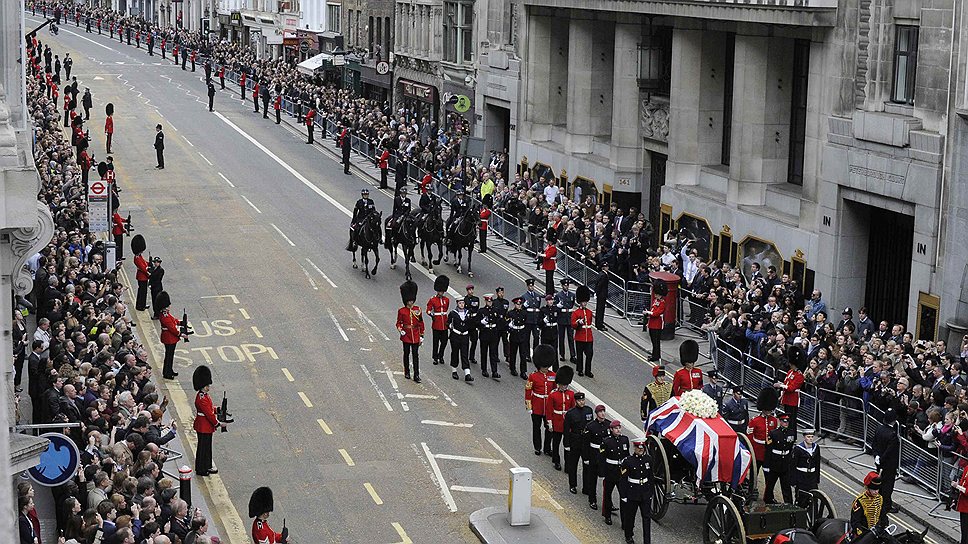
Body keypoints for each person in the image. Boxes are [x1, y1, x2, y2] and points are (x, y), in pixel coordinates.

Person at [193, 365, 227, 476]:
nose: (208, 387)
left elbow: (209, 409)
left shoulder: (203, 396)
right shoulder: (202, 398)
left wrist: (217, 409)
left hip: (204, 425)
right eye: (207, 385)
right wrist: (218, 423)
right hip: (204, 426)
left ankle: (206, 466)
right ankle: (202, 469)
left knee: (206, 448)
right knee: (203, 449)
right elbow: (208, 414)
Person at [619, 438, 653, 544]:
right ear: (634, 448)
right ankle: (628, 535)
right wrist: (623, 495)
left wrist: (651, 492)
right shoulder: (628, 461)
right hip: (633, 493)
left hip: (645, 493)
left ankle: (647, 540)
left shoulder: (648, 459)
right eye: (638, 448)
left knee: (646, 518)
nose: (641, 450)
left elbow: (651, 477)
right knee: (630, 516)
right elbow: (623, 479)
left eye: (642, 448)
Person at [526, 345, 556, 455]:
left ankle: (547, 448)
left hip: (548, 407)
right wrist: (529, 407)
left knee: (549, 428)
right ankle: (537, 447)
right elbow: (528, 391)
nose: (545, 368)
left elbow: (555, 390)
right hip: (537, 406)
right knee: (536, 428)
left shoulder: (553, 375)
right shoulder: (533, 376)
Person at [872, 408, 900, 520]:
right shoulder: (893, 435)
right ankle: (885, 506)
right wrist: (882, 459)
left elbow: (874, 444)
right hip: (888, 465)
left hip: (879, 462)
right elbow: (889, 452)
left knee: (880, 482)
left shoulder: (879, 428)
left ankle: (883, 502)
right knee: (887, 486)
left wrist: (876, 456)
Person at [600, 419, 629, 525]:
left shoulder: (624, 440)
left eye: (619, 428)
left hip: (621, 472)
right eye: (616, 428)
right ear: (611, 429)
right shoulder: (606, 441)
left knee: (623, 496)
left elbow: (626, 456)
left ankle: (624, 520)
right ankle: (607, 515)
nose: (618, 430)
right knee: (607, 495)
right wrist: (602, 472)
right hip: (610, 471)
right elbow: (602, 458)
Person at [547, 366, 575, 471]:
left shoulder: (571, 394)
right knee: (556, 444)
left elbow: (573, 410)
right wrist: (550, 424)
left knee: (567, 446)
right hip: (557, 422)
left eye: (566, 385)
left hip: (567, 423)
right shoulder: (553, 395)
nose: (565, 386)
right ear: (558, 383)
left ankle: (568, 464)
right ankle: (556, 461)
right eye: (563, 385)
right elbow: (549, 410)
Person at [763, 413, 795, 504]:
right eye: (784, 421)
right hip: (774, 463)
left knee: (786, 485)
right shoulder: (773, 433)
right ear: (780, 422)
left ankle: (788, 503)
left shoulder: (791, 433)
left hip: (785, 463)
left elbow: (790, 448)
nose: (786, 423)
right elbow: (768, 450)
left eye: (787, 421)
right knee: (770, 484)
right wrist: (767, 465)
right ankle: (768, 500)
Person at [564, 391, 593, 494]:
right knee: (573, 465)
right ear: (576, 401)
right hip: (575, 440)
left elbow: (591, 427)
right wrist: (566, 444)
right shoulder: (570, 413)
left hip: (586, 442)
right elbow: (566, 430)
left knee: (587, 465)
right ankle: (573, 485)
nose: (582, 402)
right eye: (580, 400)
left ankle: (586, 487)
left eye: (583, 400)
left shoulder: (588, 410)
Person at [396, 281, 423, 383]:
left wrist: (421, 335)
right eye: (409, 300)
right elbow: (398, 323)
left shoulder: (418, 310)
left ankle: (416, 375)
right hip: (406, 335)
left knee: (415, 355)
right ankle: (407, 371)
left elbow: (421, 323)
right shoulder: (401, 311)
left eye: (412, 300)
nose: (411, 302)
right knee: (406, 354)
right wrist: (401, 330)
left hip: (415, 335)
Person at [584, 405, 611, 508]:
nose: (603, 413)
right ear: (597, 413)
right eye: (600, 412)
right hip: (594, 454)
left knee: (608, 481)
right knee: (592, 479)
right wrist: (586, 458)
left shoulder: (609, 425)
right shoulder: (590, 426)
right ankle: (592, 500)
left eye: (604, 411)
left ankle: (609, 503)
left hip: (605, 456)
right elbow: (586, 444)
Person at [748, 388, 780, 474]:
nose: (769, 411)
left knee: (768, 475)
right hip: (757, 451)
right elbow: (750, 438)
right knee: (754, 473)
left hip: (768, 451)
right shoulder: (755, 421)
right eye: (767, 410)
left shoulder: (774, 420)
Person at [775, 348, 806, 434]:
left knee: (791, 420)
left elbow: (791, 388)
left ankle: (793, 435)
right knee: (787, 418)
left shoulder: (800, 376)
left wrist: (781, 385)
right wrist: (781, 386)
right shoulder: (790, 372)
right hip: (787, 398)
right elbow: (786, 383)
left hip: (793, 400)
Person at [848, 472, 884, 542]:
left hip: (875, 530)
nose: (876, 492)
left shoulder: (880, 498)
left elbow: (882, 515)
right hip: (863, 531)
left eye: (877, 489)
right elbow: (855, 521)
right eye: (873, 489)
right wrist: (863, 535)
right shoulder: (860, 501)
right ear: (868, 488)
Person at [157, 292, 185, 379]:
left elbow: (173, 320)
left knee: (170, 356)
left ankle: (169, 370)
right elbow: (172, 328)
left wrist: (180, 322)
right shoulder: (165, 316)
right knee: (169, 356)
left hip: (170, 337)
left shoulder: (166, 313)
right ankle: (167, 373)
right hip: (169, 338)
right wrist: (180, 334)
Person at [447, 296, 474, 382]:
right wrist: (450, 326)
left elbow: (471, 324)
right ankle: (454, 370)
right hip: (456, 336)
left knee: (465, 354)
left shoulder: (468, 313)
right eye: (460, 303)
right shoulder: (453, 313)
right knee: (455, 353)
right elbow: (448, 323)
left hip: (465, 336)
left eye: (463, 303)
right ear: (457, 304)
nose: (462, 305)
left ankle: (467, 374)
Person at [572, 285, 595, 378]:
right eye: (583, 302)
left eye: (585, 302)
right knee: (580, 355)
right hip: (579, 337)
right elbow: (573, 324)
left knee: (589, 354)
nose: (584, 303)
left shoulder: (589, 312)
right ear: (580, 302)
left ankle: (588, 370)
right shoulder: (576, 313)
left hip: (588, 337)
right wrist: (578, 323)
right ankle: (580, 370)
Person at [427, 275, 450, 366]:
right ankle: (435, 357)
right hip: (436, 324)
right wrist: (431, 313)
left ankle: (441, 355)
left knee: (444, 342)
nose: (441, 292)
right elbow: (428, 309)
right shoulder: (432, 300)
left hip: (444, 324)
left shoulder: (446, 300)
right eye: (440, 291)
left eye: (443, 291)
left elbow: (445, 310)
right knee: (435, 342)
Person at [477, 294, 502, 379]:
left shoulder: (496, 310)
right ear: (485, 301)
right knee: (484, 352)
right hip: (485, 333)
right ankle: (484, 369)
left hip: (493, 333)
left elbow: (499, 321)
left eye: (491, 301)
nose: (490, 303)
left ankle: (494, 371)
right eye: (488, 301)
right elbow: (476, 323)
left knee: (493, 353)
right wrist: (481, 323)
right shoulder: (481, 311)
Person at [791, 428, 820, 497]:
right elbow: (793, 465)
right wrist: (793, 481)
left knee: (813, 497)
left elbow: (817, 464)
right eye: (808, 437)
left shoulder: (816, 447)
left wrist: (817, 478)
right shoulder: (798, 449)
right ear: (804, 437)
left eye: (812, 437)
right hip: (801, 477)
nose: (811, 439)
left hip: (812, 477)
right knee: (802, 498)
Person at [643, 281, 667, 361]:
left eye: (657, 294)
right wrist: (647, 313)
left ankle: (656, 356)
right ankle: (655, 355)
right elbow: (653, 309)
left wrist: (649, 312)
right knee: (653, 341)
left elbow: (657, 313)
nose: (656, 295)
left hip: (657, 324)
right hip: (652, 323)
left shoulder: (662, 303)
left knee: (656, 341)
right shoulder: (656, 301)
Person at [554, 278, 576, 363]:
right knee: (561, 338)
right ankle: (562, 354)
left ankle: (573, 355)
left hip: (569, 318)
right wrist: (558, 307)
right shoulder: (558, 296)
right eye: (565, 285)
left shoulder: (572, 295)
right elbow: (555, 308)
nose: (566, 287)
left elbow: (572, 304)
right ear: (562, 286)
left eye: (567, 285)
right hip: (561, 319)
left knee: (571, 337)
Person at [507, 297, 529, 377]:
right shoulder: (511, 313)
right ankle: (512, 368)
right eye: (517, 304)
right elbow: (506, 323)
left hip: (522, 334)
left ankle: (523, 371)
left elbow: (526, 323)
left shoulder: (524, 313)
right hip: (514, 334)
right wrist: (509, 327)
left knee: (523, 354)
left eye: (520, 304)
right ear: (515, 304)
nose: (519, 306)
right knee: (513, 353)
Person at [522, 278, 543, 349]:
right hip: (528, 320)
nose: (531, 287)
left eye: (532, 286)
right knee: (526, 338)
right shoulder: (524, 296)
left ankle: (535, 351)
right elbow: (521, 309)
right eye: (530, 286)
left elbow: (538, 308)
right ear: (527, 287)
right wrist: (523, 306)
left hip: (535, 320)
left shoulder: (537, 296)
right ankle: (527, 354)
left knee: (536, 337)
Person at [951, 461, 968, 544]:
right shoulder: (966, 468)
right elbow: (963, 483)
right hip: (963, 506)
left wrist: (957, 486)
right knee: (964, 531)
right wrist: (958, 484)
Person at [593, 262, 610, 330]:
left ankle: (599, 323)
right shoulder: (603, 275)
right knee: (600, 310)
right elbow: (600, 285)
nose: (607, 268)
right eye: (606, 266)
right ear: (604, 267)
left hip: (601, 294)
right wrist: (597, 293)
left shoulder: (601, 274)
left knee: (599, 309)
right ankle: (599, 325)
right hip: (601, 294)